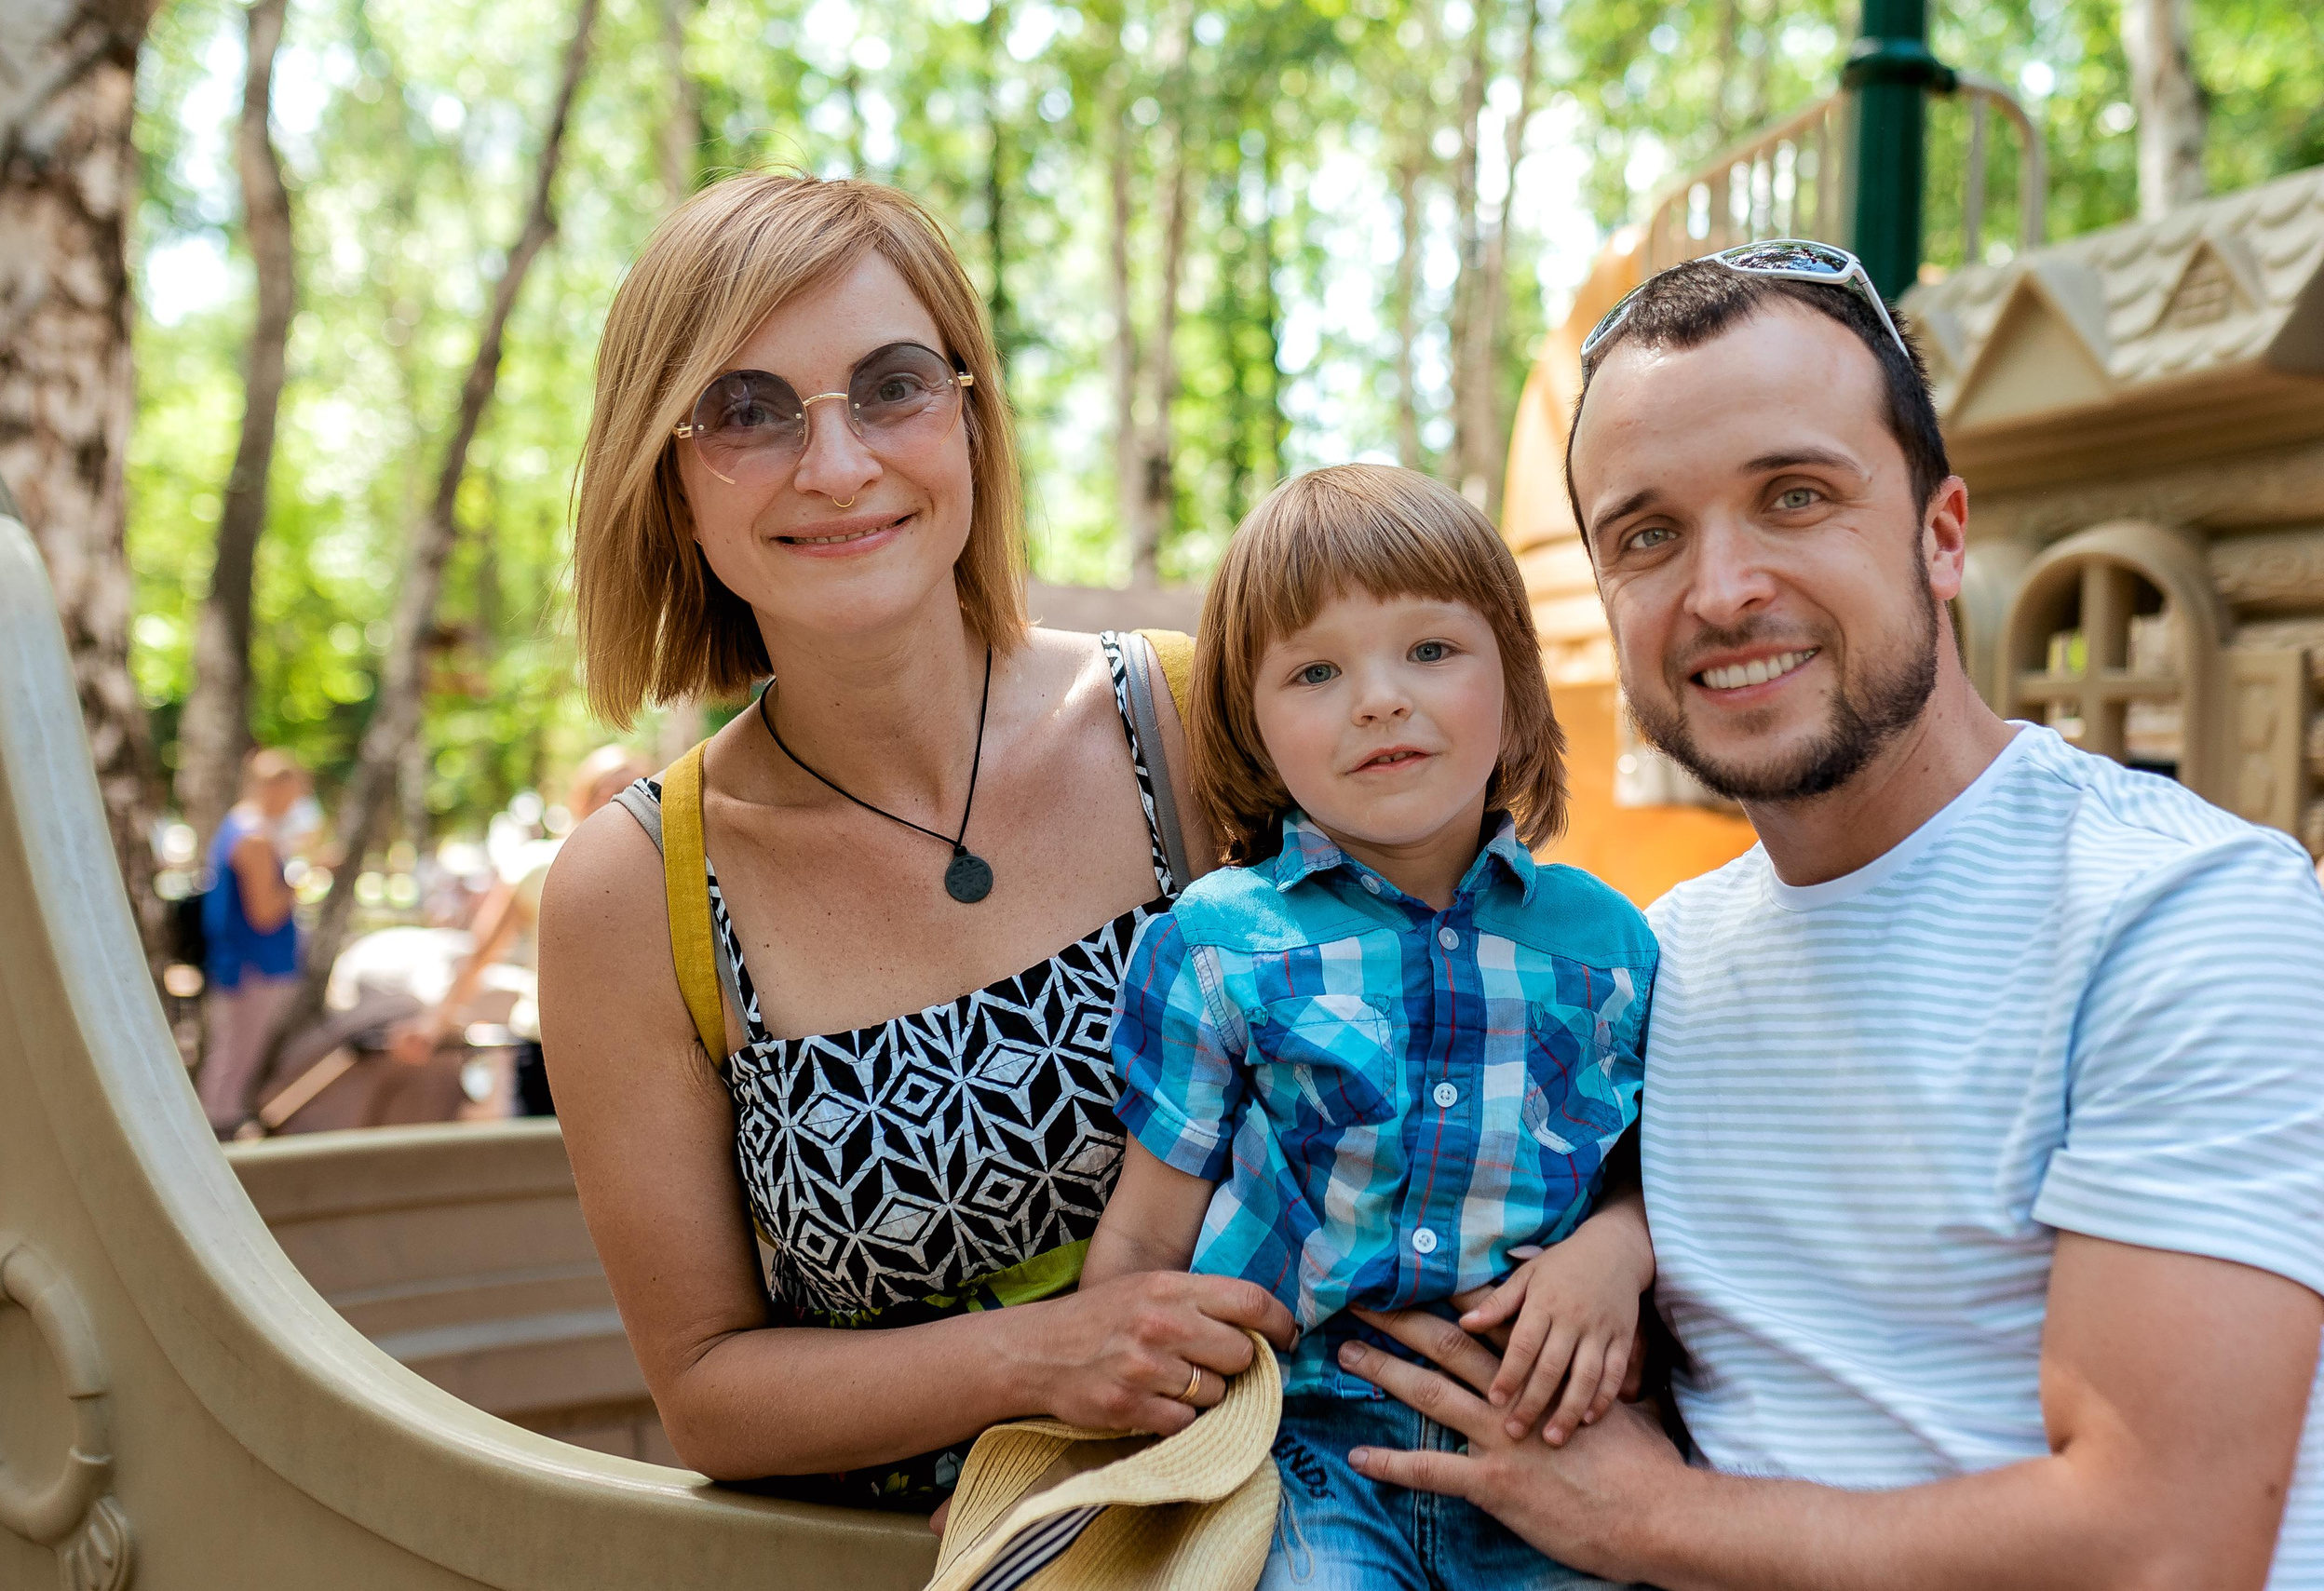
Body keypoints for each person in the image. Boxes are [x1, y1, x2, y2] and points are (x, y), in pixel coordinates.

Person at [1331, 242, 2324, 1589]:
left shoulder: (2180, 910)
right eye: (1647, 535)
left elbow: (2164, 1545)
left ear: (1942, 535)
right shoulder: (1659, 957)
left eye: (1794, 497)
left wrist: (1648, 1521)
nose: (1722, 589)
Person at [537, 171, 1295, 1514]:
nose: (837, 466)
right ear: (670, 485)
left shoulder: (1192, 718)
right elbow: (706, 1388)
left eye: (892, 386)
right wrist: (1044, 1358)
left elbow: (1473, 990)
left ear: (970, 421)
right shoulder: (636, 890)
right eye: (747, 411)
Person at [1082, 465, 1655, 1590]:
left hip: (1544, 1428)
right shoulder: (1219, 945)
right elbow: (1144, 1243)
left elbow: (1648, 1175)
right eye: (1315, 671)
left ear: (1513, 680)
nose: (1379, 699)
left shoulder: (1609, 947)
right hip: (1298, 1443)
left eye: (1430, 650)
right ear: (1250, 723)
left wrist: (1615, 1251)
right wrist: (1111, 1442)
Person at [389, 743, 650, 1115]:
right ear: (581, 797)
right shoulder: (536, 867)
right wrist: (434, 1025)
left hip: (636, 1052)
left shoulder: (666, 871)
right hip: (547, 1051)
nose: (618, 800)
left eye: (633, 788)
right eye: (607, 789)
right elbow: (482, 954)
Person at [196, 748, 312, 1136]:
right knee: (234, 1061)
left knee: (232, 1057)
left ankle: (220, 1126)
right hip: (252, 966)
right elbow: (264, 913)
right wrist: (297, 882)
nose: (295, 803)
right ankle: (219, 1133)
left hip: (244, 963)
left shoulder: (241, 827)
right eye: (293, 793)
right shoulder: (255, 838)